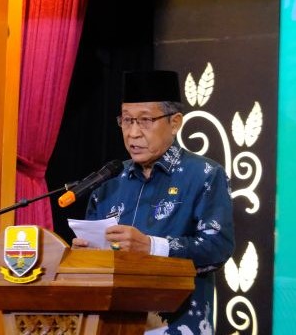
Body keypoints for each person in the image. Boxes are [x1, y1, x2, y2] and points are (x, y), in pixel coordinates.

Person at [71, 70, 235, 335]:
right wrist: (83, 257)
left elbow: (217, 248)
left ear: (175, 122)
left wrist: (152, 246)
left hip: (177, 325)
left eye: (145, 120)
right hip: (112, 325)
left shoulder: (204, 175)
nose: (133, 133)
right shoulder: (108, 182)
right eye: (127, 120)